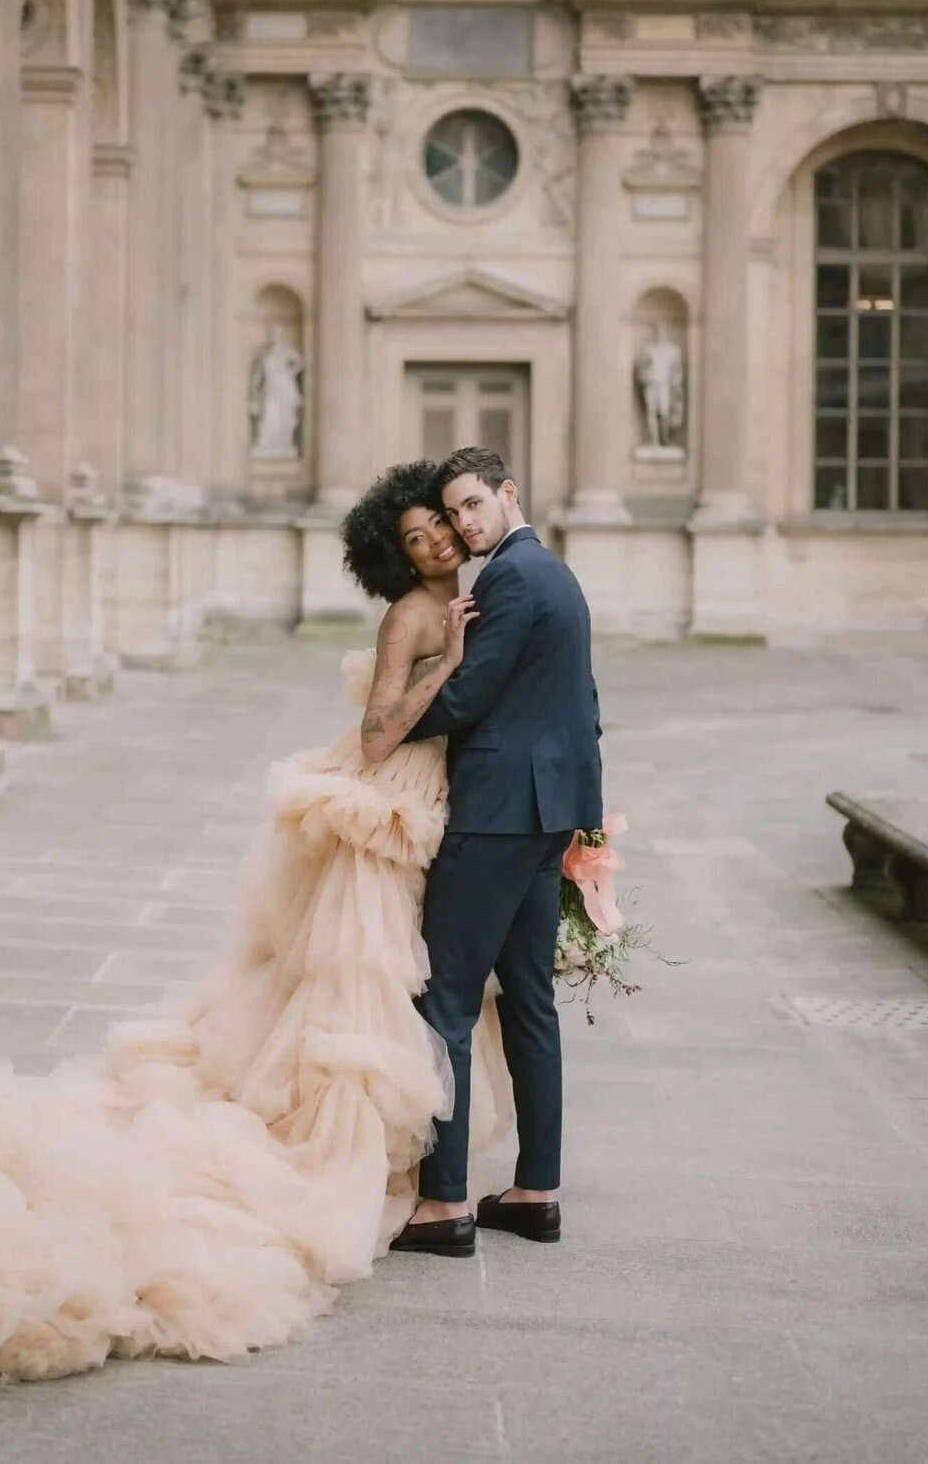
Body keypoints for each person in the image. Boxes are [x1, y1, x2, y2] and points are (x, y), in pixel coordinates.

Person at [0, 461, 512, 1413]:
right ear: (394, 556)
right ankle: (347, 1160)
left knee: (384, 997)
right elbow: (374, 735)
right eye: (415, 537)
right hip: (385, 809)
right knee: (356, 1000)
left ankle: (392, 1159)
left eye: (440, 527)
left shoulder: (466, 598)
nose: (437, 543)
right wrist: (450, 668)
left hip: (425, 809)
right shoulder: (414, 615)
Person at [386, 447, 603, 1259]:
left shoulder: (509, 579)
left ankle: (444, 1206)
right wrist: (583, 819)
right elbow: (583, 701)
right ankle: (536, 1191)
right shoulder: (558, 573)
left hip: (502, 814)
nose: (465, 524)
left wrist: (392, 723)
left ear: (508, 495)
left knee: (444, 999)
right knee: (527, 1001)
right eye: (453, 513)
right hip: (546, 814)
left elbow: (471, 695)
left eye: (474, 505)